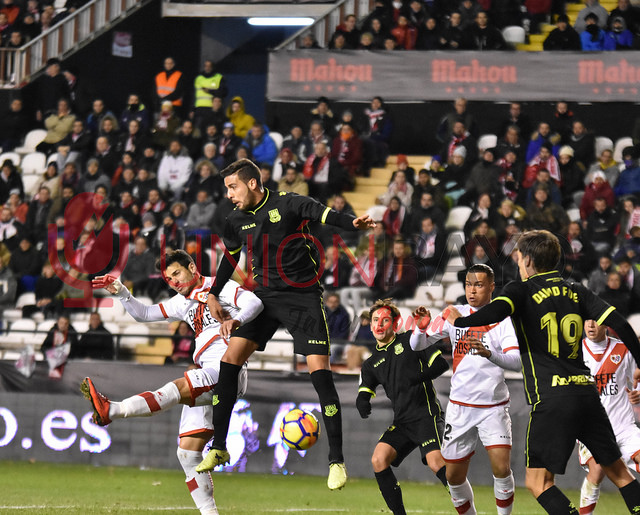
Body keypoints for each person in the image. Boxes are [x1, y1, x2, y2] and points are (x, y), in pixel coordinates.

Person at [196, 158, 376, 490]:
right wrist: (213, 292)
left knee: (321, 376)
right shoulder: (235, 220)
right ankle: (219, 447)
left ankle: (336, 461)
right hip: (263, 296)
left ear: (252, 183)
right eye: (227, 189)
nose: (230, 195)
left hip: (303, 297)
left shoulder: (288, 203)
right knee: (229, 360)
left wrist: (353, 223)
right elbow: (231, 257)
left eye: (233, 187)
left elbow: (324, 214)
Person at [443, 229, 640, 515]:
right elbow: (621, 325)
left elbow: (494, 312)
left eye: (519, 256)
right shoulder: (576, 289)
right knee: (620, 474)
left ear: (528, 261)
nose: (517, 261)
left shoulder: (520, 290)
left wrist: (462, 321)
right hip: (586, 394)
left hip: (552, 399)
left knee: (538, 482)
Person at [84, 249, 263, 515]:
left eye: (176, 273)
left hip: (226, 368)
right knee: (188, 454)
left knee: (177, 387)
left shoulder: (219, 287)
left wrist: (237, 320)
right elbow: (144, 313)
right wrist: (121, 291)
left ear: (192, 267)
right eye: (168, 279)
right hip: (209, 370)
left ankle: (112, 410)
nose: (174, 281)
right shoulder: (182, 302)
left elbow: (255, 303)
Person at [413, 264, 520, 515]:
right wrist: (420, 327)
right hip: (460, 407)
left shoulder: (503, 320)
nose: (472, 290)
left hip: (493, 407)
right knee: (453, 476)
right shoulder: (453, 313)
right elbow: (417, 345)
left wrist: (489, 353)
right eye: (469, 285)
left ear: (492, 287)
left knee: (502, 469)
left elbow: (516, 362)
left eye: (479, 285)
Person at [357, 299, 449, 515]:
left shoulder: (412, 340)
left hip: (426, 415)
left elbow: (441, 364)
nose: (379, 324)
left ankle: (464, 505)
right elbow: (364, 390)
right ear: (370, 325)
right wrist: (362, 402)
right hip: (402, 422)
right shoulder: (371, 363)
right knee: (379, 459)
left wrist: (416, 378)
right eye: (375, 320)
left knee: (437, 463)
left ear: (395, 324)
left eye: (385, 320)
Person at [579, 319, 640, 515]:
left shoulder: (624, 349)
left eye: (595, 321)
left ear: (606, 325)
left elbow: (636, 379)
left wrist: (638, 392)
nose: (590, 325)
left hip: (624, 426)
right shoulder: (574, 352)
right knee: (596, 472)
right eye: (586, 321)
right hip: (592, 430)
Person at [192, 60, 227, 134]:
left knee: (212, 131)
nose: (207, 68)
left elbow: (224, 92)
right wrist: (192, 109)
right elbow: (194, 95)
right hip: (200, 110)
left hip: (213, 110)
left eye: (209, 66)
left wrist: (210, 91)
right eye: (206, 66)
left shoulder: (219, 78)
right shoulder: (199, 78)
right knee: (198, 132)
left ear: (213, 67)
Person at [41, 314, 78, 379]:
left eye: (65, 324)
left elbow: (76, 349)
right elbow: (43, 347)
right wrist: (49, 355)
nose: (63, 325)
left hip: (67, 362)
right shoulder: (52, 332)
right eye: (61, 323)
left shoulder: (72, 334)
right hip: (52, 360)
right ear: (58, 323)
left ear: (68, 325)